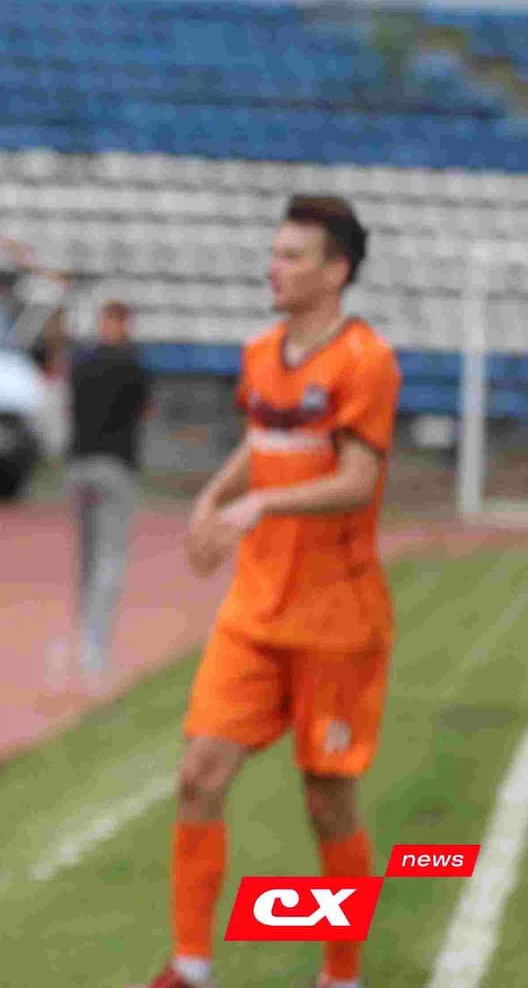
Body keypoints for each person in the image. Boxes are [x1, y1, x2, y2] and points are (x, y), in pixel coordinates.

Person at [135, 197, 399, 988]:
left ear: (336, 271)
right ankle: (190, 966)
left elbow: (355, 481)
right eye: (274, 252)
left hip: (336, 618)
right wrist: (214, 498)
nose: (272, 267)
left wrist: (259, 507)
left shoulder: (366, 362)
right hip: (254, 611)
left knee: (328, 802)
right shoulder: (259, 353)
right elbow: (265, 443)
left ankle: (341, 974)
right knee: (199, 776)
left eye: (291, 255)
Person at [56, 298, 151, 691]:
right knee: (109, 560)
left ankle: (78, 640)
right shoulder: (134, 366)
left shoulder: (81, 363)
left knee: (87, 559)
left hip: (79, 467)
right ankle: (94, 648)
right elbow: (144, 411)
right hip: (114, 468)